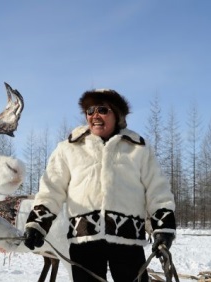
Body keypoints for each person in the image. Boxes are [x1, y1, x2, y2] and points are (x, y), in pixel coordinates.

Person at [24, 89, 176, 281]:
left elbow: (158, 190)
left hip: (128, 241)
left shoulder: (138, 148)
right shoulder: (68, 148)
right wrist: (38, 223)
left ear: (117, 115)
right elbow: (51, 190)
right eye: (90, 111)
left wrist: (163, 228)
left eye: (102, 110)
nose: (95, 115)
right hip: (84, 240)